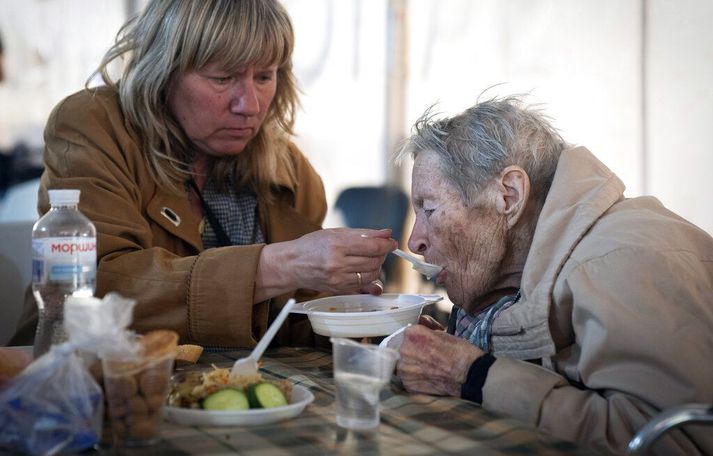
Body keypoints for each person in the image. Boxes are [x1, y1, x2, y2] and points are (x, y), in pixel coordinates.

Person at [10, 0, 396, 348]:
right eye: (223, 78)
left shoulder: (290, 172)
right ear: (163, 71)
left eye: (264, 77)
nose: (249, 105)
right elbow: (92, 292)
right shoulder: (93, 127)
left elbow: (290, 323)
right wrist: (277, 265)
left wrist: (373, 325)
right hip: (88, 386)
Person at [393, 95, 713, 455]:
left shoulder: (620, 262)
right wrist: (457, 354)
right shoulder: (530, 270)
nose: (414, 241)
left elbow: (670, 441)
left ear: (508, 196)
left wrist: (473, 375)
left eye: (430, 209)